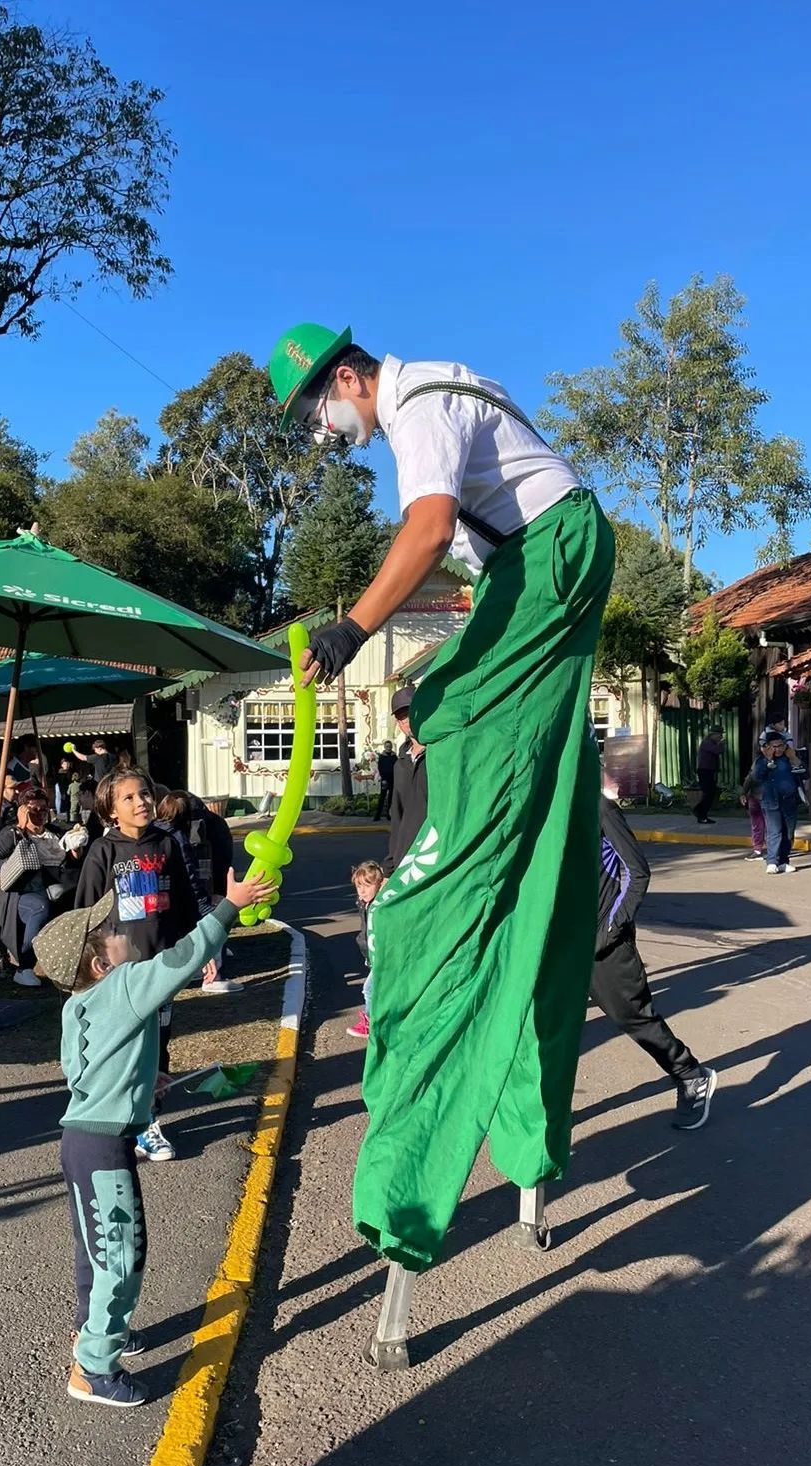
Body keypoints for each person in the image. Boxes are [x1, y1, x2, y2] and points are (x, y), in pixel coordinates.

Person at [269, 322, 614, 1270]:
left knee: (447, 702)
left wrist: (350, 628)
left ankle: (456, 858)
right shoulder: (439, 395)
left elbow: (425, 530)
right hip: (539, 557)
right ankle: (486, 819)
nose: (326, 431)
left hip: (553, 551)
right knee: (440, 695)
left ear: (347, 377)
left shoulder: (416, 405)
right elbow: (471, 531)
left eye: (319, 413)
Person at [33, 862, 276, 1408]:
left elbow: (82, 1070)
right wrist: (229, 908)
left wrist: (141, 1078)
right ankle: (94, 1369)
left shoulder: (76, 1006)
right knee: (121, 1254)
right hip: (105, 1148)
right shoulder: (122, 985)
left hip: (80, 1141)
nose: (122, 932)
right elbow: (181, 960)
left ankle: (95, 1331)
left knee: (95, 1249)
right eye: (111, 932)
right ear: (100, 962)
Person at [75, 768, 209, 1163]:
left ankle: (149, 1120)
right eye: (129, 798)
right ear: (111, 810)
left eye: (145, 794)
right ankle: (120, 1116)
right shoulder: (103, 852)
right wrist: (91, 966)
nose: (141, 803)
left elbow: (187, 904)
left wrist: (203, 952)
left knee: (156, 1045)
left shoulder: (168, 844)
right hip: (119, 974)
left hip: (162, 967)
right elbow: (85, 914)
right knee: (124, 1046)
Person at [594, 774, 716, 1129]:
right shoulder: (548, 810)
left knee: (633, 1017)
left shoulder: (600, 809)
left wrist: (612, 928)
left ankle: (690, 1074)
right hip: (561, 945)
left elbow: (637, 872)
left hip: (603, 943)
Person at [156, 789, 238, 993]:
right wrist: (210, 896)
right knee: (213, 921)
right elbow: (194, 872)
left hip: (164, 896)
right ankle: (213, 976)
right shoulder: (185, 834)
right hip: (190, 892)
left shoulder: (156, 832)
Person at [0, 784, 66, 987]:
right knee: (40, 908)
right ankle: (24, 966)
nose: (39, 814)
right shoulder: (12, 832)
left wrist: (75, 847)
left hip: (55, 888)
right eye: (34, 810)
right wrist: (21, 825)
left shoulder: (54, 833)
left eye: (43, 809)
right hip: (22, 894)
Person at [382, 686, 427, 877]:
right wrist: (390, 866)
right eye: (401, 717)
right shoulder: (400, 764)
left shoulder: (441, 755)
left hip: (435, 854)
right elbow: (397, 815)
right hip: (407, 861)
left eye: (409, 713)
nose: (407, 720)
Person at [745, 732, 803, 874]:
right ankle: (772, 862)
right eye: (774, 746)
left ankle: (783, 861)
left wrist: (794, 758)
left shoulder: (789, 758)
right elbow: (756, 777)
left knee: (788, 833)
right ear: (768, 747)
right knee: (774, 831)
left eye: (780, 746)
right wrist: (768, 760)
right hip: (771, 800)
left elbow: (804, 774)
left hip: (789, 800)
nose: (778, 749)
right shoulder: (762, 760)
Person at [345, 860, 385, 1040]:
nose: (362, 891)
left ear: (380, 884)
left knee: (369, 989)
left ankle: (369, 1023)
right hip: (372, 955)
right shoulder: (364, 904)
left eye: (367, 886)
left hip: (383, 956)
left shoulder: (381, 906)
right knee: (379, 990)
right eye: (359, 886)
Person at [693, 725, 725, 825]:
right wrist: (721, 743)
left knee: (710, 793)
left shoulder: (711, 743)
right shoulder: (707, 742)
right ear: (713, 734)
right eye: (720, 735)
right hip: (705, 771)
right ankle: (700, 814)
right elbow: (717, 751)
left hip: (709, 771)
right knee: (708, 793)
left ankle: (699, 812)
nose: (721, 737)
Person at [373, 740, 396, 821]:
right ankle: (377, 815)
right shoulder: (382, 757)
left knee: (391, 798)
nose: (388, 748)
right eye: (387, 746)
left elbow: (396, 767)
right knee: (382, 797)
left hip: (393, 779)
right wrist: (383, 778)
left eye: (389, 746)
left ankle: (389, 815)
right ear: (384, 747)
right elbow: (380, 768)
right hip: (385, 780)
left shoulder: (394, 756)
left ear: (391, 747)